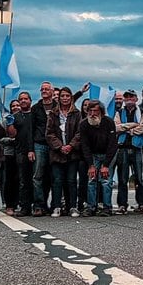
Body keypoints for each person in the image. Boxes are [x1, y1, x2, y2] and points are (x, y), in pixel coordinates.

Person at [45, 86, 82, 217]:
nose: (65, 98)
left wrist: (70, 146)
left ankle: (72, 206)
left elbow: (79, 132)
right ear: (58, 98)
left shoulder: (77, 114)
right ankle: (56, 206)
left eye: (67, 96)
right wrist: (60, 146)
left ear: (71, 98)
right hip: (57, 153)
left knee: (71, 180)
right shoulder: (53, 114)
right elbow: (49, 133)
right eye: (62, 96)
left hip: (72, 153)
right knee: (57, 180)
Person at [79, 100, 117, 217]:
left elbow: (112, 144)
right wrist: (91, 165)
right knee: (91, 180)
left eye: (95, 111)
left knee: (106, 181)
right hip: (93, 155)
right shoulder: (84, 124)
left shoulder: (109, 122)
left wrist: (105, 165)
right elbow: (85, 146)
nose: (92, 114)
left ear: (101, 111)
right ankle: (91, 207)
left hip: (108, 154)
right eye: (90, 111)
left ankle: (107, 207)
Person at [114, 89, 143, 214]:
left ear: (136, 99)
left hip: (138, 148)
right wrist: (133, 125)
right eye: (127, 97)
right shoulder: (119, 112)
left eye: (131, 97)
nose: (129, 99)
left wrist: (127, 128)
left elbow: (142, 128)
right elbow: (116, 127)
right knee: (123, 179)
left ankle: (142, 203)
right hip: (122, 147)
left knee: (140, 177)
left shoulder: (142, 112)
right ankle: (122, 204)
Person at [6, 91, 35, 216]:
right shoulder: (16, 116)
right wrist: (10, 124)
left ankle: (39, 205)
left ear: (30, 101)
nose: (23, 101)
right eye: (21, 99)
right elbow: (12, 134)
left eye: (25, 99)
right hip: (20, 151)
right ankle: (25, 207)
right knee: (23, 181)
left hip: (35, 149)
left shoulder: (35, 115)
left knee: (37, 179)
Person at [31, 81, 55, 215]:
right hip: (39, 144)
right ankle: (39, 205)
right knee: (37, 176)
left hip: (54, 145)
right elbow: (31, 129)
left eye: (47, 89)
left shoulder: (57, 107)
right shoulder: (36, 108)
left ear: (52, 91)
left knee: (54, 176)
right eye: (42, 89)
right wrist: (30, 149)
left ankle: (55, 205)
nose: (44, 91)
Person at [0, 99, 20, 216]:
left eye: (18, 105)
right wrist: (12, 140)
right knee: (9, 180)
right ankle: (9, 204)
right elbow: (0, 139)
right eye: (13, 106)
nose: (16, 107)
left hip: (23, 153)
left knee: (21, 179)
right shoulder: (5, 121)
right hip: (10, 154)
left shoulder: (26, 119)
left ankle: (21, 202)